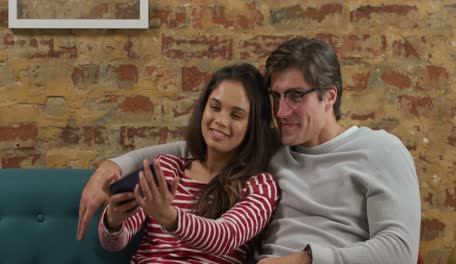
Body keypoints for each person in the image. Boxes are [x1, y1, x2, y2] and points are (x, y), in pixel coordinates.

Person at [78, 38, 421, 263]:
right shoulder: (274, 145)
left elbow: (401, 250)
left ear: (329, 96)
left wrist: (305, 259)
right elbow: (198, 148)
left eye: (296, 96)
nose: (282, 111)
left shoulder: (381, 151)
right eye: (276, 97)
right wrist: (111, 168)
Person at [97, 63, 281, 263]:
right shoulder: (166, 167)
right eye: (215, 107)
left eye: (236, 115)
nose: (220, 120)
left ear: (253, 125)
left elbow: (226, 236)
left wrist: (170, 217)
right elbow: (114, 243)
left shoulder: (260, 185)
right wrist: (113, 220)